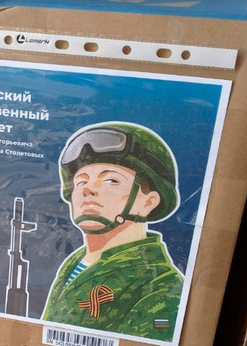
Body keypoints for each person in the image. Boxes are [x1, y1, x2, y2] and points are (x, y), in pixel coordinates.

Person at [42, 122, 184, 342]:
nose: (88, 190)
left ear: (148, 202)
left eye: (111, 180)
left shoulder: (161, 288)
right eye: (81, 181)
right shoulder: (74, 263)